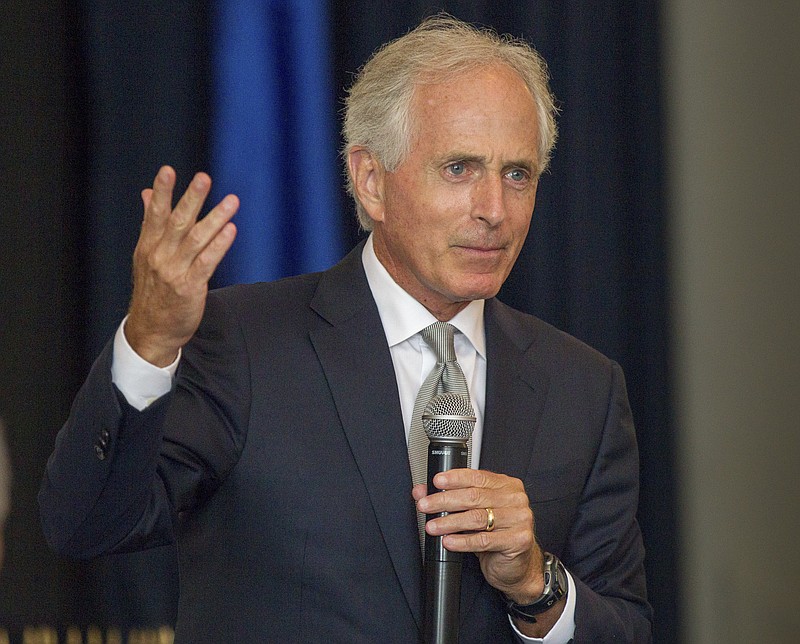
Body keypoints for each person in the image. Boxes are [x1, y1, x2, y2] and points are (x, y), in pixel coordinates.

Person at [39, 15, 651, 643]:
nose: (494, 210)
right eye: (460, 168)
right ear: (370, 180)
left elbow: (625, 628)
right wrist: (150, 345)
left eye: (517, 174)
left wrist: (535, 585)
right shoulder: (242, 344)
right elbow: (85, 524)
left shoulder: (584, 387)